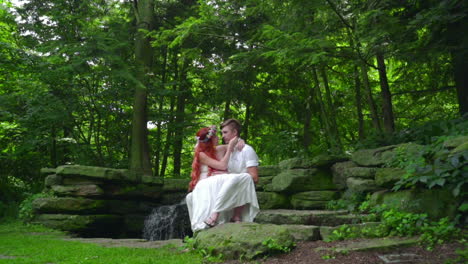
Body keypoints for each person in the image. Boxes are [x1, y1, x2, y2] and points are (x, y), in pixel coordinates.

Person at [185, 122, 260, 231]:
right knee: (239, 178)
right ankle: (216, 215)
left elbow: (233, 145)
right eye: (217, 135)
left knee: (242, 178)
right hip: (207, 182)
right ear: (210, 139)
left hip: (218, 181)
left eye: (225, 132)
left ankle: (229, 216)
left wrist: (240, 140)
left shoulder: (218, 149)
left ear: (234, 132)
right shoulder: (202, 154)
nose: (221, 136)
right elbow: (223, 163)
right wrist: (230, 148)